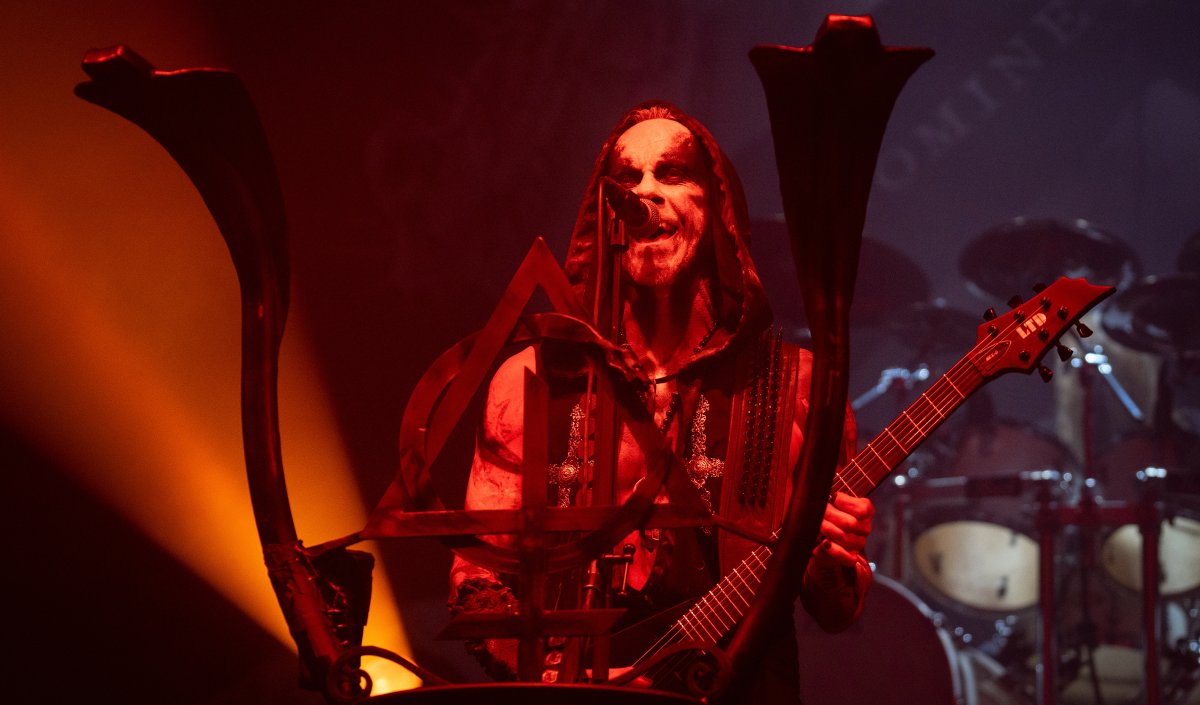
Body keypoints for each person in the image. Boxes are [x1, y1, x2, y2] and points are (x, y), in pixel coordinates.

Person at [448, 101, 874, 699]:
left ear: (717, 207)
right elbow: (477, 582)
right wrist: (555, 678)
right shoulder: (532, 380)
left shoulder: (797, 385)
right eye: (627, 178)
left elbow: (834, 609)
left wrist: (832, 560)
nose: (644, 192)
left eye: (671, 173)